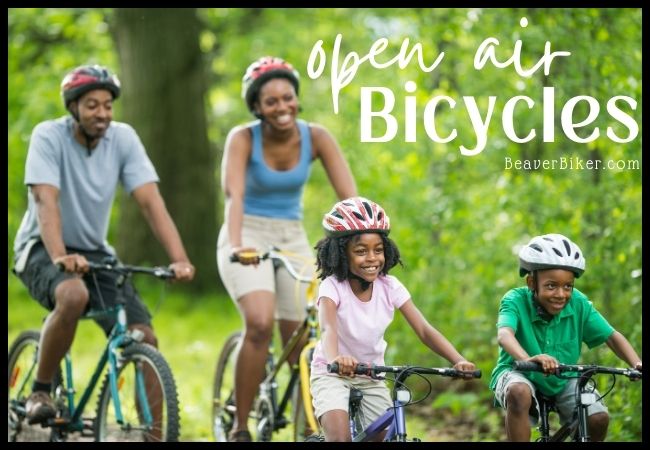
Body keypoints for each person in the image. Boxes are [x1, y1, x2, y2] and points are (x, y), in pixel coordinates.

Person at [12, 64, 195, 425]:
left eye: (108, 105)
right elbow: (45, 200)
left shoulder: (123, 139)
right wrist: (60, 256)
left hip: (94, 251)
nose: (102, 113)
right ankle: (41, 389)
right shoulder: (48, 136)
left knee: (143, 336)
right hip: (41, 246)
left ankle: (157, 432)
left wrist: (179, 259)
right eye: (92, 105)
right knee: (73, 296)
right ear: (74, 108)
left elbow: (150, 201)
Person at [216, 56, 357, 442]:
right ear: (257, 107)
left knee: (304, 337)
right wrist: (239, 241)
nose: (282, 107)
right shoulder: (243, 139)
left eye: (288, 98)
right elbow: (234, 195)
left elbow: (349, 198)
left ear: (296, 98)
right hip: (245, 232)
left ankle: (308, 427)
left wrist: (363, 241)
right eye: (271, 101)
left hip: (292, 235)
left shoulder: (317, 137)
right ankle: (240, 426)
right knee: (260, 323)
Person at [309, 197, 477, 442]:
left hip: (371, 375)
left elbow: (424, 329)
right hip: (332, 373)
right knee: (339, 438)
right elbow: (328, 329)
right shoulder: (332, 287)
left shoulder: (389, 286)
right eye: (360, 251)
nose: (372, 258)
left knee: (382, 435)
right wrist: (336, 358)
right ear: (340, 254)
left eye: (378, 250)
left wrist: (457, 359)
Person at [489, 233, 642, 442]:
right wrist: (528, 359)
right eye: (551, 286)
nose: (561, 294)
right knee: (518, 392)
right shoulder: (514, 300)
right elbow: (504, 335)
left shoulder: (578, 304)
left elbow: (612, 337)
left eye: (567, 286)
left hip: (562, 377)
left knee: (597, 417)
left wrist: (636, 362)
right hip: (519, 372)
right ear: (532, 282)